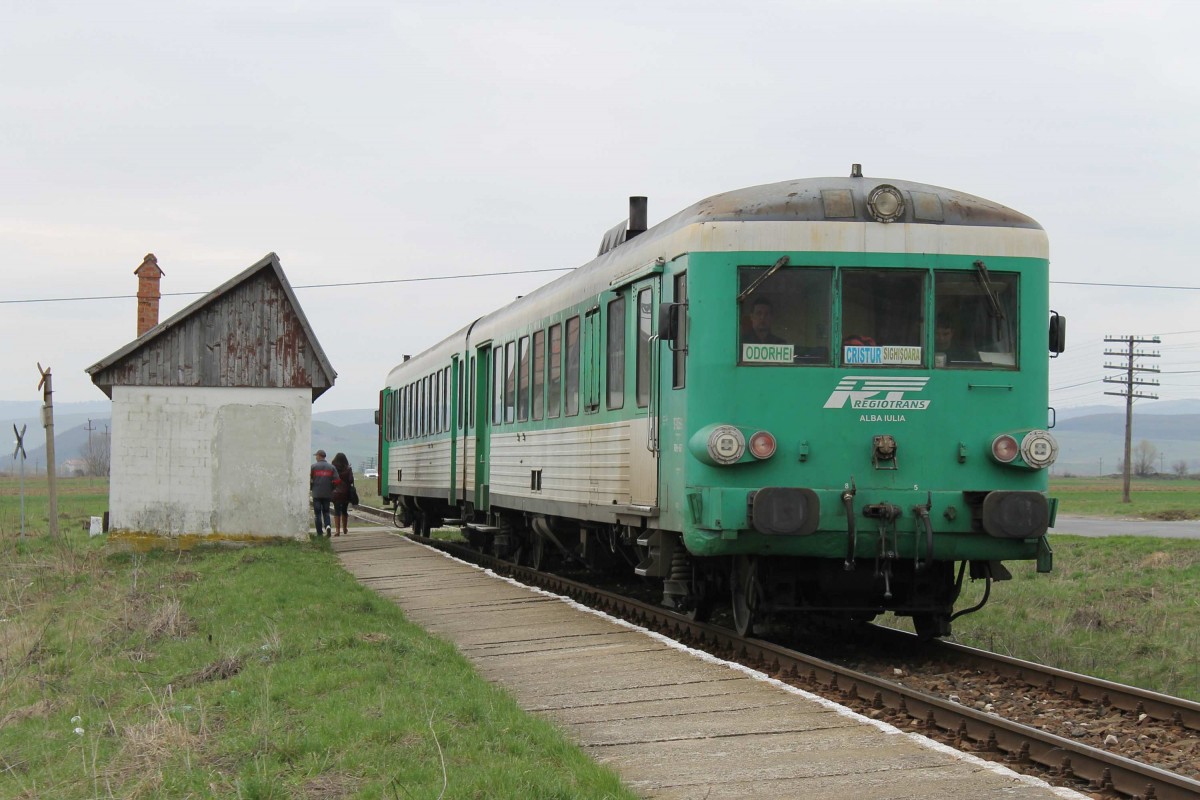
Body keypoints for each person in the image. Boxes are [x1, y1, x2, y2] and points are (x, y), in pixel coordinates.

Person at [310, 449, 335, 536]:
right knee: (326, 512)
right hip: (327, 494)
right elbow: (337, 480)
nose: (316, 457)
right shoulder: (331, 467)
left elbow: (309, 479)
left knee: (317, 514)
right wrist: (331, 488)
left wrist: (311, 487)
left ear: (319, 456)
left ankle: (319, 533)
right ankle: (328, 526)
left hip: (316, 494)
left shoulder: (313, 467)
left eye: (316, 456)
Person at [330, 452, 355, 537]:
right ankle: (344, 528)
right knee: (344, 510)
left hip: (336, 492)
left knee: (337, 511)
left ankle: (337, 531)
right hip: (346, 492)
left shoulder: (333, 468)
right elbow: (351, 480)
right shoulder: (348, 469)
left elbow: (330, 479)